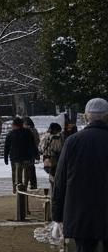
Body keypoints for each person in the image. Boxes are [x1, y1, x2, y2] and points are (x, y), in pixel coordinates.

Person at [53, 97, 108, 252]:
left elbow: (60, 180)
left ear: (85, 116)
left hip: (81, 213)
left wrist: (57, 215)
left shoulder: (73, 142)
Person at [5, 116, 40, 191]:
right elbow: (33, 144)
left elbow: (6, 147)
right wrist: (36, 154)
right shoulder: (28, 132)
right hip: (26, 157)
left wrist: (6, 157)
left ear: (15, 125)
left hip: (15, 158)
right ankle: (24, 186)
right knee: (26, 173)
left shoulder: (11, 134)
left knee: (16, 173)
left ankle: (16, 187)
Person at [43, 122, 65, 187]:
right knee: (57, 173)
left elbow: (42, 147)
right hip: (59, 157)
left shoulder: (46, 137)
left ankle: (53, 187)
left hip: (49, 157)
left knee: (51, 173)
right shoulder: (61, 136)